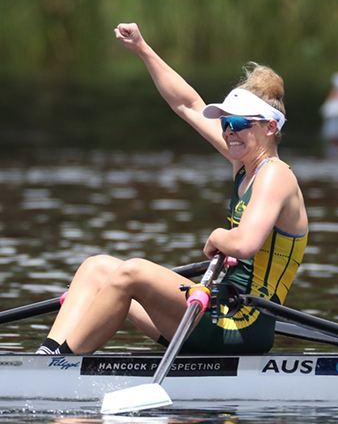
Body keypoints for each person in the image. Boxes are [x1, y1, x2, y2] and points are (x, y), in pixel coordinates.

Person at [36, 23, 308, 356]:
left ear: (269, 128)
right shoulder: (245, 166)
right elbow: (189, 105)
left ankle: (62, 368)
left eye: (238, 124)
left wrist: (216, 237)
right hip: (215, 309)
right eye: (225, 123)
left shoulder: (275, 175)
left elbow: (245, 243)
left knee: (132, 271)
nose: (228, 132)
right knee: (97, 268)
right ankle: (48, 357)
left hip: (243, 322)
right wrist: (142, 48)